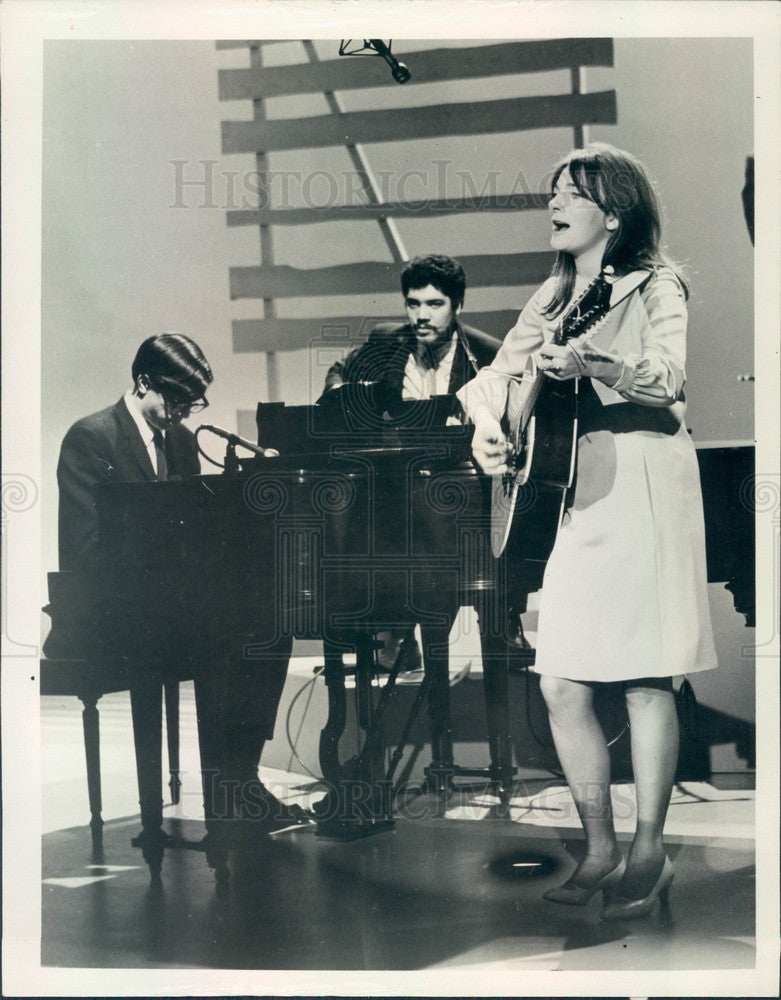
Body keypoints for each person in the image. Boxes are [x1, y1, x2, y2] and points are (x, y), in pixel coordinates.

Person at [458, 143, 718, 918]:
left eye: (571, 194)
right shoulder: (554, 290)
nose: (554, 204)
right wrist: (484, 432)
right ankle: (598, 843)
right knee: (561, 680)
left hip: (640, 482)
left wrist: (598, 362)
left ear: (614, 209)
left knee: (643, 678)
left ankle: (648, 851)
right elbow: (493, 379)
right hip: (576, 496)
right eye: (552, 192)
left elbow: (667, 377)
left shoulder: (656, 284)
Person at [54, 334, 305, 864]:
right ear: (142, 381)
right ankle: (227, 803)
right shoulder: (91, 438)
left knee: (270, 627)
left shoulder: (183, 439)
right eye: (176, 400)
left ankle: (240, 778)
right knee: (219, 642)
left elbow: (199, 536)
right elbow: (84, 552)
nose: (183, 413)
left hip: (168, 608)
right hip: (114, 611)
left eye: (193, 403)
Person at [322, 254, 532, 661]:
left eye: (434, 305)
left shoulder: (487, 353)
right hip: (399, 481)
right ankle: (390, 626)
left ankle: (504, 614)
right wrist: (340, 393)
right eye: (413, 304)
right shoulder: (387, 340)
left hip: (463, 484)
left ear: (458, 306)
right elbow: (338, 370)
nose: (422, 315)